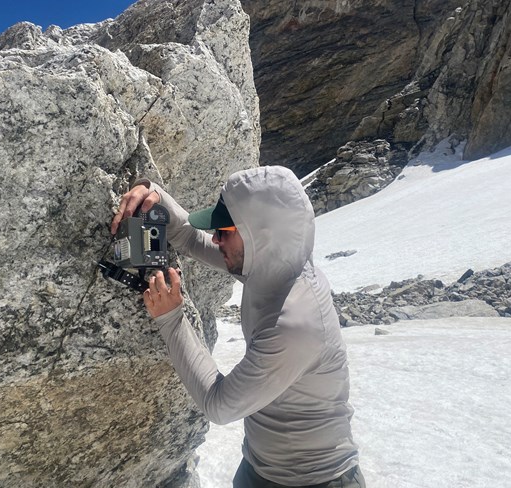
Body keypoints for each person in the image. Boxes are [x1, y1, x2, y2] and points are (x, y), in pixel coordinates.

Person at [111, 166, 365, 487]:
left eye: (225, 231)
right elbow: (191, 238)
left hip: (318, 481)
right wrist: (153, 195)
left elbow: (219, 405)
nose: (216, 238)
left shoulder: (295, 322)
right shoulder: (272, 264)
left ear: (260, 235)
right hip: (260, 469)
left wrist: (172, 319)